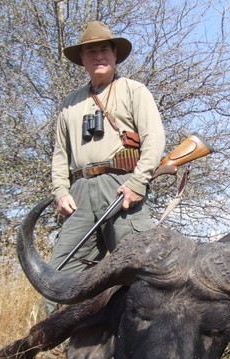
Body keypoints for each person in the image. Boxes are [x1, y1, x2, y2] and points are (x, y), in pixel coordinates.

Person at [46, 21, 165, 314]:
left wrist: (138, 183)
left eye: (103, 49)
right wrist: (61, 192)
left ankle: (148, 349)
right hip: (80, 195)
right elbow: (60, 154)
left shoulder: (134, 91)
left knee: (144, 272)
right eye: (90, 51)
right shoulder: (69, 104)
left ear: (114, 55)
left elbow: (154, 139)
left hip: (122, 189)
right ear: (83, 60)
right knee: (59, 274)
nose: (98, 56)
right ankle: (52, 349)